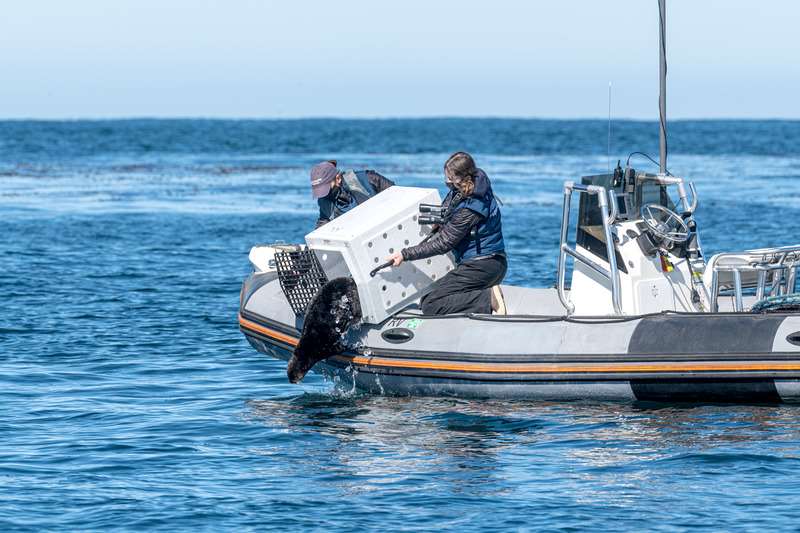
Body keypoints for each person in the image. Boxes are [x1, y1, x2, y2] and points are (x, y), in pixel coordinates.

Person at [386, 152, 507, 315]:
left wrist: (404, 254)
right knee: (427, 295)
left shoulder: (472, 207)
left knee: (432, 304)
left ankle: (487, 298)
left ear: (463, 177)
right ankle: (481, 297)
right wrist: (438, 220)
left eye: (450, 177)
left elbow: (445, 243)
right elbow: (449, 211)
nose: (447, 181)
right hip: (483, 263)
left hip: (483, 265)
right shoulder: (469, 186)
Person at [310, 160, 394, 228]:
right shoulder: (324, 202)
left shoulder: (369, 179)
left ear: (338, 178)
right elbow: (323, 223)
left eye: (326, 188)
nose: (324, 195)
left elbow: (399, 197)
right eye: (320, 191)